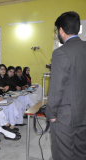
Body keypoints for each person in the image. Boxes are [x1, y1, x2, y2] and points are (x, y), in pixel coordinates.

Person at [45, 11, 86, 160]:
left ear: (61, 30)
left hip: (65, 118)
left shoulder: (61, 52)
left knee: (63, 155)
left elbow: (56, 89)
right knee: (81, 154)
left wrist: (51, 114)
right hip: (84, 114)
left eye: (57, 31)